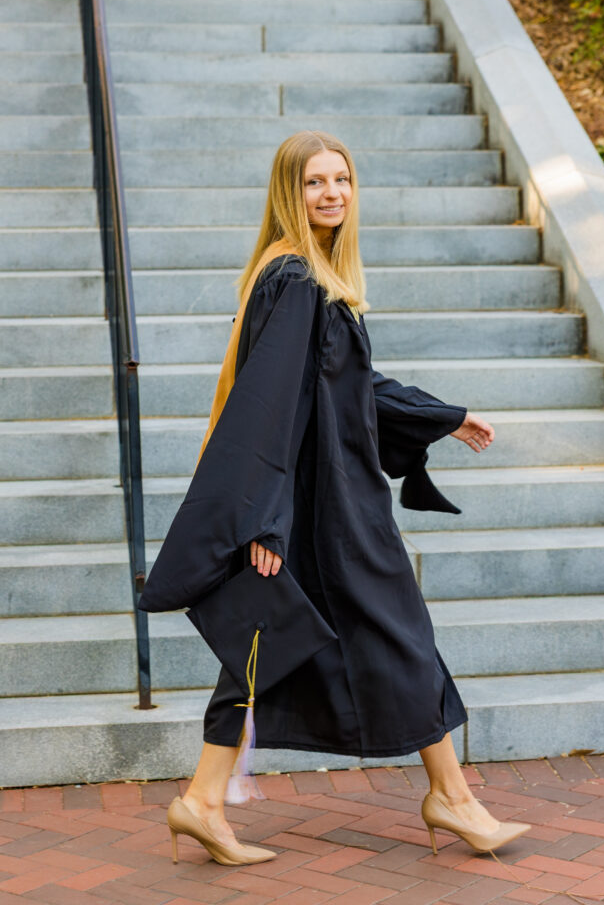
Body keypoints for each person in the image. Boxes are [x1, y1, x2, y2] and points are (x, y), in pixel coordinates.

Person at [140, 130, 530, 866]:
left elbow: (346, 390)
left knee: (268, 645)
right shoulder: (294, 281)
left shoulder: (310, 277)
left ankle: (200, 800)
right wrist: (264, 519)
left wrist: (439, 416)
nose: (332, 194)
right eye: (315, 182)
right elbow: (268, 410)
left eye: (342, 180)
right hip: (324, 510)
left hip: (330, 500)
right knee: (395, 636)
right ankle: (450, 797)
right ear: (290, 192)